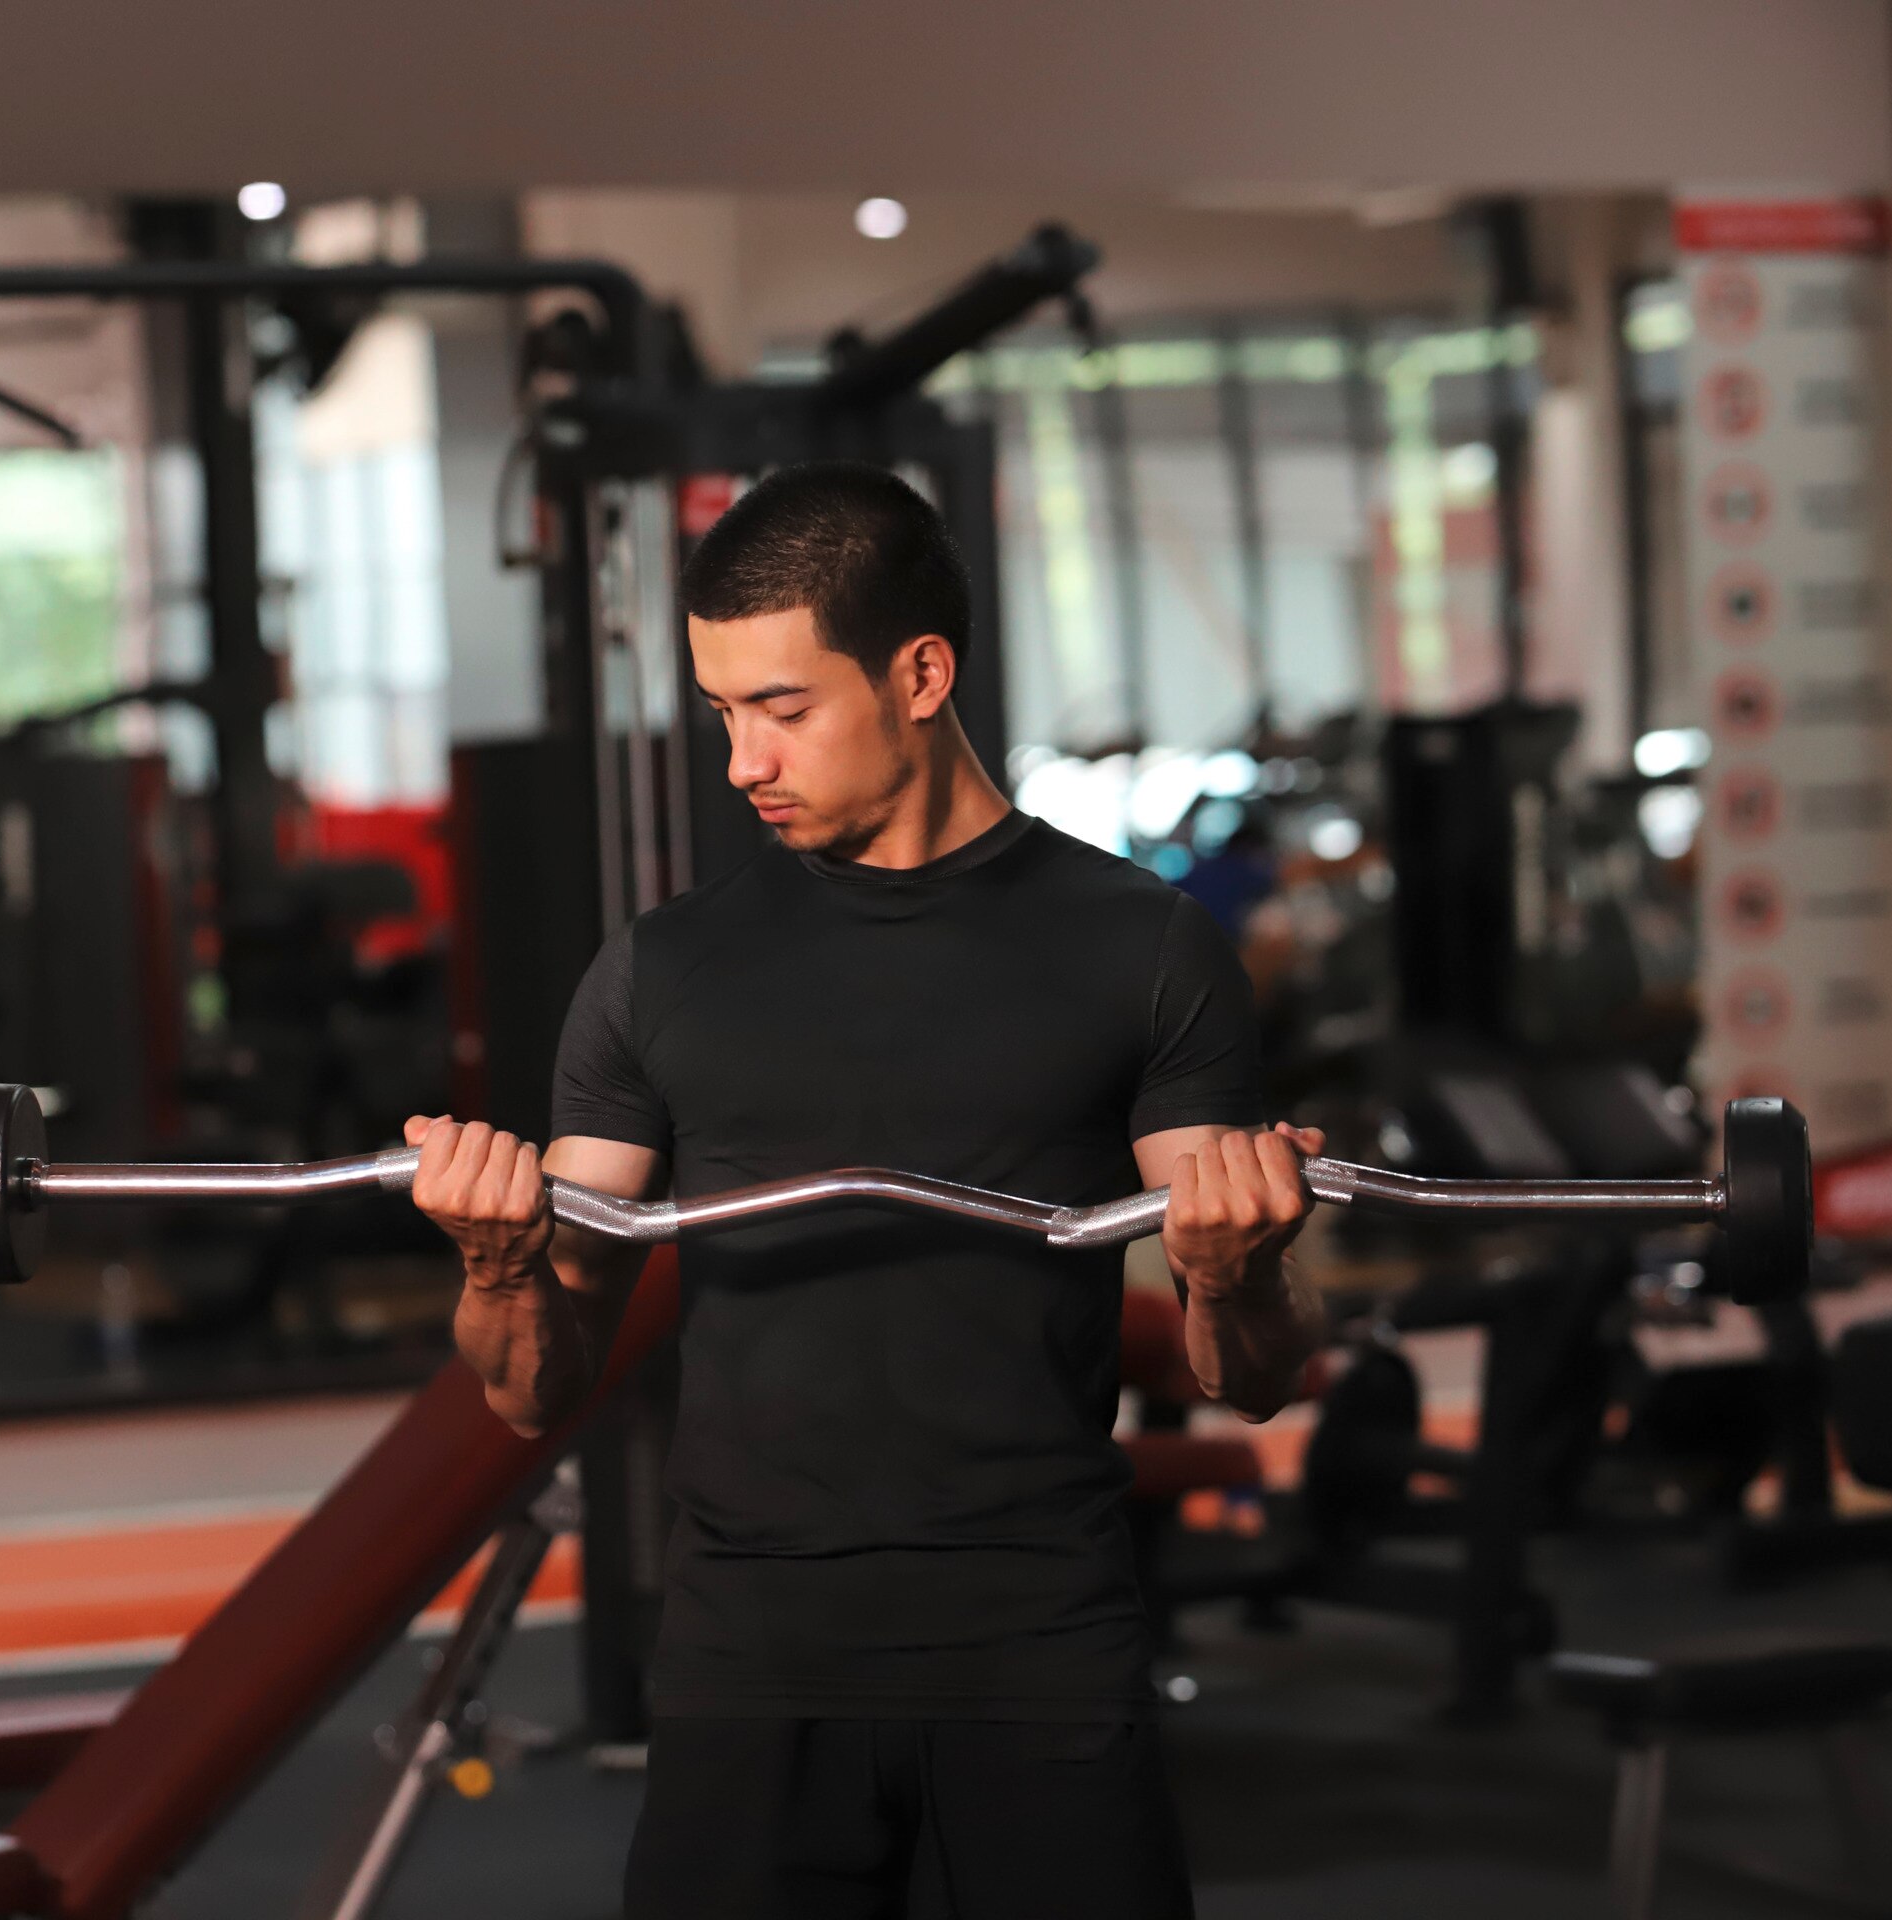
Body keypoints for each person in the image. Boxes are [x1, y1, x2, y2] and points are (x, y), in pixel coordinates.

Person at [407, 463, 1324, 1920]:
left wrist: (1236, 1272)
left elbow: (1255, 1378)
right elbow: (532, 1388)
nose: (741, 766)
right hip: (750, 1665)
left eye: (781, 711)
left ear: (919, 674)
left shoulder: (1140, 953)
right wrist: (497, 1265)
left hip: (1041, 1651)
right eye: (721, 716)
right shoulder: (660, 971)